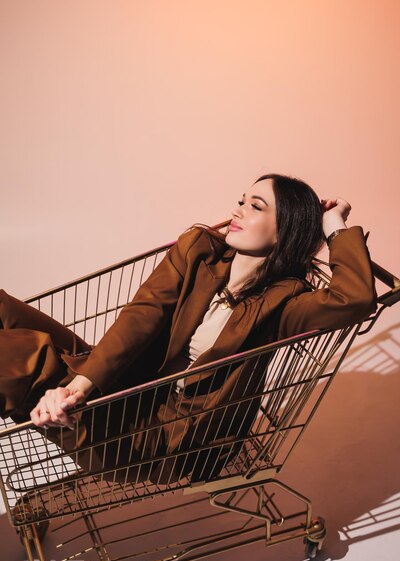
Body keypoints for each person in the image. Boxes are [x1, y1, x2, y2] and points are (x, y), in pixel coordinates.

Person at [0, 173, 378, 483]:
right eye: (242, 200)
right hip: (125, 387)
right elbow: (142, 316)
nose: (239, 210)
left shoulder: (285, 305)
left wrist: (334, 225)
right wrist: (77, 387)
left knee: (14, 357)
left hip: (156, 437)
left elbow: (356, 299)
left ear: (285, 231)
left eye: (256, 206)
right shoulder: (199, 252)